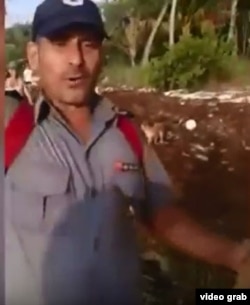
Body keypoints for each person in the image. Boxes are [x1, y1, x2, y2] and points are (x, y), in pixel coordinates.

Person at [4, 0, 250, 304]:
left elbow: (161, 214)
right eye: (60, 43)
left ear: (102, 54)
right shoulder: (12, 126)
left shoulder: (127, 133)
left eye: (89, 44)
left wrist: (234, 255)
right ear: (33, 56)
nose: (76, 59)